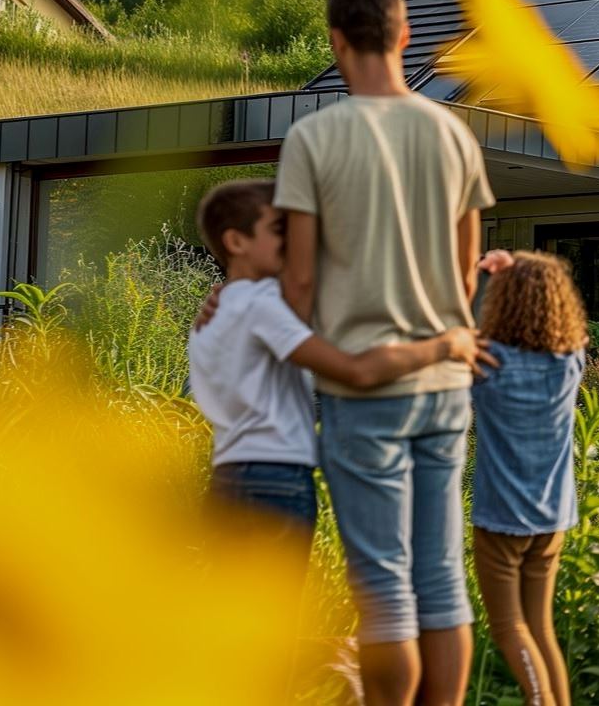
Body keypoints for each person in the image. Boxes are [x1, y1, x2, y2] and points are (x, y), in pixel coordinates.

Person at [274, 0, 510, 706]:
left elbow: (301, 285)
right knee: (439, 579)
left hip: (360, 387)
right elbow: (468, 268)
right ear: (404, 36)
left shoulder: (313, 137)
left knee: (381, 587)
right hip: (443, 382)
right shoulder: (452, 133)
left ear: (336, 43)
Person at [187, 179, 483, 550]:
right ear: (236, 242)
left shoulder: (221, 310)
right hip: (272, 484)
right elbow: (358, 370)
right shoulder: (260, 304)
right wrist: (445, 346)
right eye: (279, 230)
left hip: (228, 480)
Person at [468, 251, 588, 706]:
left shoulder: (488, 361)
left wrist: (489, 273)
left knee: (508, 628)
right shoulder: (569, 361)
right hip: (553, 517)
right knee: (540, 628)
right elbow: (577, 336)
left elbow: (456, 336)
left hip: (501, 517)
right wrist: (522, 267)